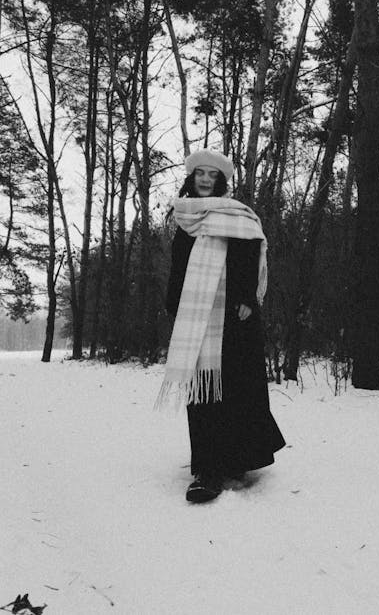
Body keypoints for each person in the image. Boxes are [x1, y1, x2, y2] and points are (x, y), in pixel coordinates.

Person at [156, 149, 285, 503]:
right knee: (203, 392)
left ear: (220, 181)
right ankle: (207, 468)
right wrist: (173, 304)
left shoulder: (235, 215)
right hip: (197, 317)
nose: (205, 179)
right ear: (191, 177)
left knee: (235, 387)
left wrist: (246, 298)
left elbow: (247, 256)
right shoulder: (185, 219)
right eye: (200, 173)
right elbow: (179, 267)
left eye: (212, 175)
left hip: (232, 316)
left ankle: (236, 457)